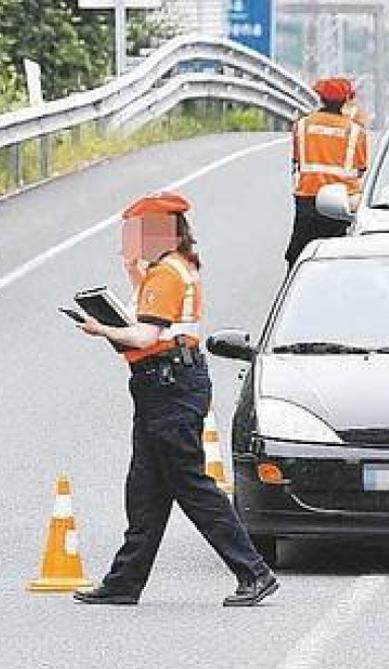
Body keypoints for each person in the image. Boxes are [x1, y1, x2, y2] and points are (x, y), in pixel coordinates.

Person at [72, 192, 278, 607]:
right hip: (160, 386)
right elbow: (152, 320)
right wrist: (132, 271)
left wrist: (100, 330)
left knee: (190, 484)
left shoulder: (168, 272)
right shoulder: (165, 271)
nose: (129, 241)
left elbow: (144, 336)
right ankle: (124, 582)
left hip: (170, 386)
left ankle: (254, 572)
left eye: (135, 233)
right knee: (145, 487)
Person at [283, 77, 369, 271]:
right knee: (337, 257)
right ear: (346, 101)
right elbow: (361, 168)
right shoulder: (356, 131)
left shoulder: (302, 126)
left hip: (307, 198)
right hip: (341, 203)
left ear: (320, 98)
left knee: (298, 255)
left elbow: (297, 161)